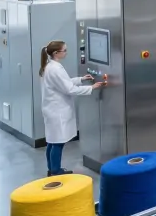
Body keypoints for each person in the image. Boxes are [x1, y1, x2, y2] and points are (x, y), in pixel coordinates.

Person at [39, 40, 106, 177]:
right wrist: (91, 88)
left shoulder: (49, 66)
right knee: (57, 143)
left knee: (52, 141)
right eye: (65, 50)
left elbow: (63, 83)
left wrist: (81, 79)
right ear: (56, 53)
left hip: (51, 109)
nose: (66, 53)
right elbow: (68, 89)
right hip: (57, 111)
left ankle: (51, 169)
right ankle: (56, 171)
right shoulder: (55, 69)